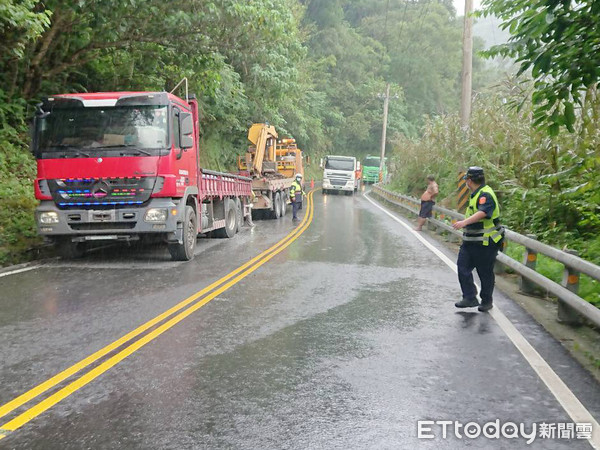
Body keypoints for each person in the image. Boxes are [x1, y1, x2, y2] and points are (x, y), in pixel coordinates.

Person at [452, 167, 504, 312]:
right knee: (462, 267)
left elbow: (483, 212)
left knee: (484, 272)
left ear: (469, 181)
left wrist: (464, 222)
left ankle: (487, 301)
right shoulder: (476, 194)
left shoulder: (485, 194)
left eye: (466, 181)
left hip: (486, 242)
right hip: (471, 241)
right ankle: (470, 297)